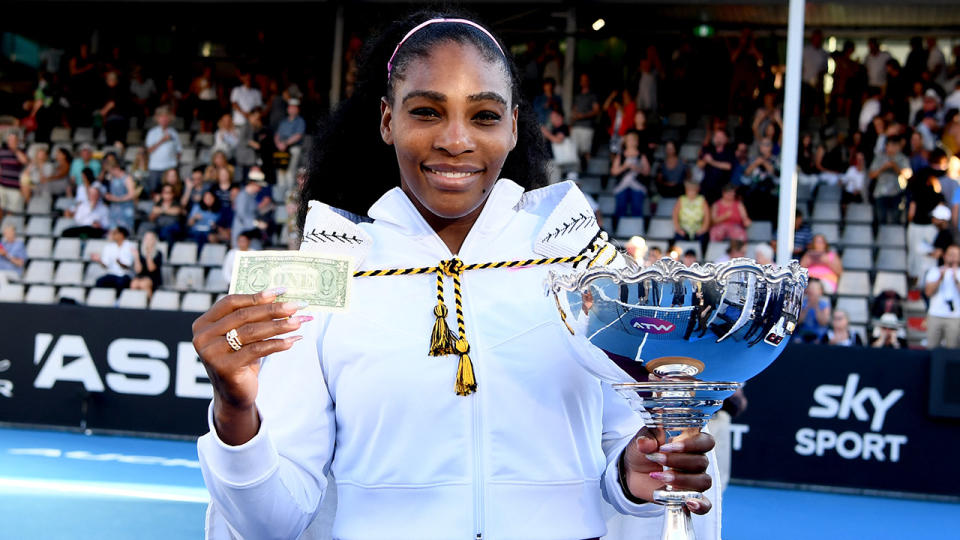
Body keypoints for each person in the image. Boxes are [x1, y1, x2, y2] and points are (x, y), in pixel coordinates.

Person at [193, 14, 718, 540]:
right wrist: (235, 410)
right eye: (426, 111)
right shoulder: (323, 279)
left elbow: (633, 472)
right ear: (387, 120)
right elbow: (271, 523)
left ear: (513, 126)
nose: (456, 139)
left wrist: (638, 474)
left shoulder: (588, 272)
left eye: (484, 116)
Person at [610, 131, 650, 230]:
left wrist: (637, 168)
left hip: (637, 186)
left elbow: (647, 172)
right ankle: (620, 230)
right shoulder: (621, 156)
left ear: (637, 142)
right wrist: (624, 167)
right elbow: (614, 171)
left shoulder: (641, 156)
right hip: (622, 186)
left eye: (633, 140)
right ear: (626, 142)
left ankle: (636, 230)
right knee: (621, 207)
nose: (631, 142)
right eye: (629, 140)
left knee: (637, 207)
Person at [924, 244, 960, 348]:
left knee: (952, 349)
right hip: (935, 314)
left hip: (955, 316)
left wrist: (955, 279)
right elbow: (928, 293)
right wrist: (940, 277)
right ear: (944, 256)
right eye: (950, 254)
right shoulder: (935, 271)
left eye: (956, 254)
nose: (953, 257)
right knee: (931, 347)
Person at [869, 136, 909, 225]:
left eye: (896, 145)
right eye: (891, 145)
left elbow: (908, 175)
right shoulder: (879, 158)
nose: (894, 148)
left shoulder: (902, 158)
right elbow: (871, 175)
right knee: (881, 220)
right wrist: (883, 168)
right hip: (880, 193)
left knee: (895, 221)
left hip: (897, 193)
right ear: (886, 146)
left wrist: (895, 166)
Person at [144, 106, 182, 196]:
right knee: (155, 191)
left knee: (171, 191)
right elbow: (149, 150)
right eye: (162, 117)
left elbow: (179, 151)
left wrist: (175, 163)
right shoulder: (152, 133)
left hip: (170, 167)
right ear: (157, 119)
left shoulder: (174, 133)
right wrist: (162, 140)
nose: (164, 119)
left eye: (166, 117)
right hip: (155, 167)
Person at [274, 98, 307, 192]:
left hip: (293, 148)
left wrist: (285, 143)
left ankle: (289, 195)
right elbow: (277, 135)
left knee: (290, 172)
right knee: (280, 172)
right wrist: (278, 144)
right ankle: (280, 194)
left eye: (294, 107)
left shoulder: (300, 121)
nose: (292, 109)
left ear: (298, 109)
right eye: (290, 107)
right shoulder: (283, 121)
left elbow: (298, 135)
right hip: (281, 148)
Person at [91, 226, 135, 291]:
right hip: (111, 274)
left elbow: (127, 266)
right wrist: (99, 260)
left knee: (121, 282)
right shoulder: (108, 247)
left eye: (115, 233)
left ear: (121, 234)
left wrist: (119, 262)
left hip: (124, 275)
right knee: (99, 281)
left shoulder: (130, 246)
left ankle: (118, 300)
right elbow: (105, 265)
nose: (113, 235)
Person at [672, 179, 710, 252]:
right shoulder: (681, 199)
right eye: (689, 190)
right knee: (678, 238)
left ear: (697, 190)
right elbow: (675, 215)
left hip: (698, 228)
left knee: (703, 238)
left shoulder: (702, 200)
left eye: (693, 190)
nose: (691, 192)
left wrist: (703, 228)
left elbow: (707, 216)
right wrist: (678, 229)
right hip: (683, 228)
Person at [570, 73, 600, 165]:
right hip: (576, 126)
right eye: (582, 80)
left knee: (586, 151)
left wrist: (583, 116)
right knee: (574, 151)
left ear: (588, 81)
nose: (583, 82)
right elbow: (574, 110)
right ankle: (575, 172)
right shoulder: (577, 96)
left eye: (585, 80)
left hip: (587, 126)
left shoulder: (592, 95)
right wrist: (572, 122)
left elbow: (596, 110)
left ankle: (588, 173)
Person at [102, 154, 137, 232]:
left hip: (125, 209)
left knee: (124, 230)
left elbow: (132, 194)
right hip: (114, 209)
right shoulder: (112, 178)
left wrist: (118, 199)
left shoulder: (127, 178)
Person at [0, 130, 28, 220]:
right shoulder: (2, 151)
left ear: (17, 141)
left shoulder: (22, 151)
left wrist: (15, 150)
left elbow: (25, 161)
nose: (11, 142)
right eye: (9, 140)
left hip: (15, 187)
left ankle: (7, 228)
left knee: (11, 212)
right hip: (2, 186)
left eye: (13, 140)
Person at [796, 279, 831, 343]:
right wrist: (806, 308)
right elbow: (798, 321)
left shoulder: (824, 304)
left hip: (818, 334)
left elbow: (823, 322)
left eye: (815, 288)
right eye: (810, 288)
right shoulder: (803, 302)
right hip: (802, 333)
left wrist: (816, 307)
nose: (812, 290)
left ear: (820, 291)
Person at [129, 230, 162, 299]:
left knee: (144, 284)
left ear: (154, 240)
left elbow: (151, 269)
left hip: (153, 278)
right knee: (133, 284)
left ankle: (149, 304)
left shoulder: (158, 253)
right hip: (141, 276)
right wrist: (136, 257)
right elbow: (138, 270)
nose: (148, 241)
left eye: (150, 239)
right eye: (146, 239)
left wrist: (148, 254)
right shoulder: (140, 253)